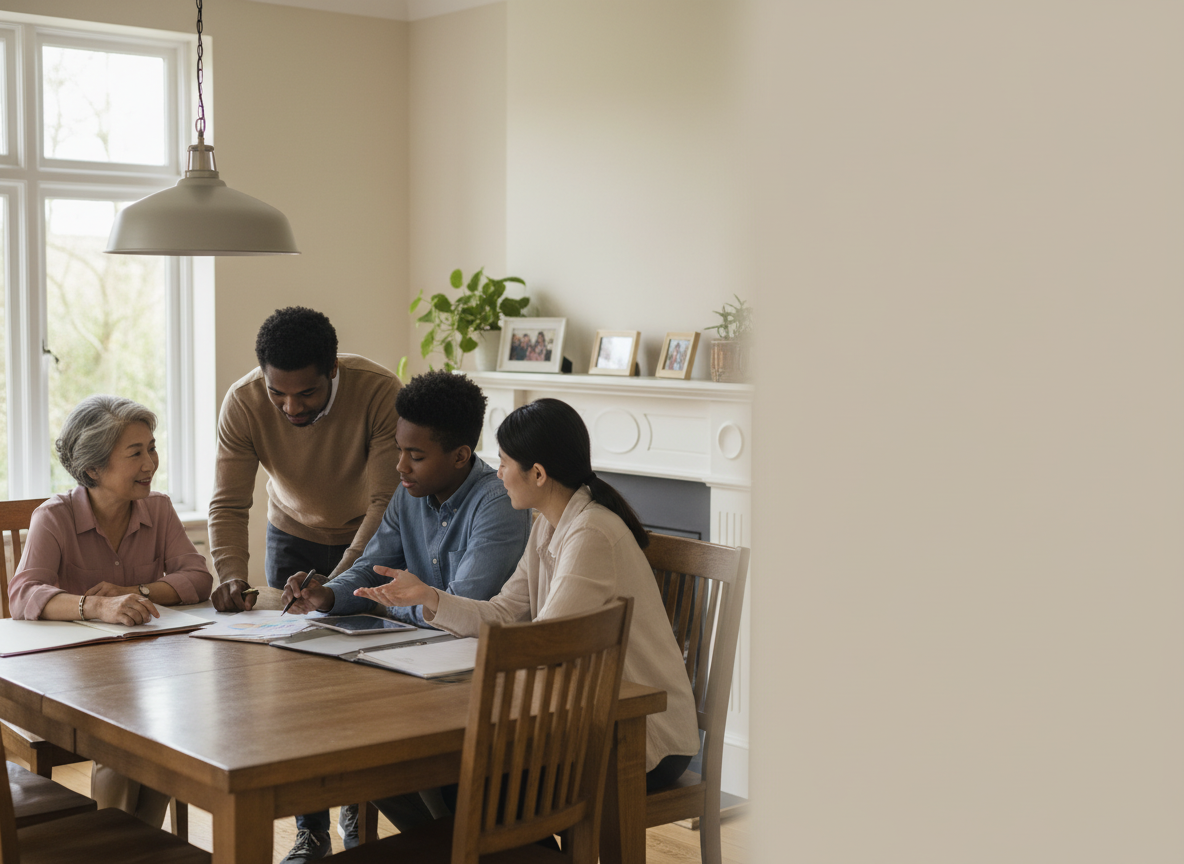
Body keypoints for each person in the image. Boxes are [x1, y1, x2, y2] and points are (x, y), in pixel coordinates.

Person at [353, 397, 701, 798]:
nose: (498, 474)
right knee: (416, 776)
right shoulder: (547, 527)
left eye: (503, 462)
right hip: (590, 717)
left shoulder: (592, 534)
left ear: (536, 473)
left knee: (444, 777)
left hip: (639, 734)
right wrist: (430, 596)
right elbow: (502, 612)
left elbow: (543, 645)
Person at [278, 370, 531, 861]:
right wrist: (326, 596)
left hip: (472, 685)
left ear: (460, 455)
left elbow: (457, 609)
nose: (400, 466)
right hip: (417, 668)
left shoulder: (496, 503)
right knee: (322, 706)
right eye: (399, 450)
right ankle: (430, 836)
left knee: (365, 737)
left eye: (415, 455)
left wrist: (396, 601)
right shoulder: (408, 494)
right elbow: (370, 570)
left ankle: (467, 841)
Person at [9, 395, 213, 828]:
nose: (150, 463)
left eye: (152, 448)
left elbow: (197, 577)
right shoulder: (55, 516)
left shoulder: (158, 508)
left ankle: (138, 847)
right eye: (135, 453)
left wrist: (135, 590)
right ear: (93, 470)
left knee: (166, 732)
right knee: (132, 741)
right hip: (66, 682)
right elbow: (23, 593)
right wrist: (97, 605)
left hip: (146, 674)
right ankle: (120, 843)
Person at [208, 306, 400, 612]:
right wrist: (232, 576)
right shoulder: (243, 401)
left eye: (307, 393)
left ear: (333, 368)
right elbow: (228, 503)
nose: (292, 407)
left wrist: (336, 583)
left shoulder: (379, 391)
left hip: (366, 534)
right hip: (291, 534)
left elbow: (385, 501)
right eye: (277, 393)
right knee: (289, 646)